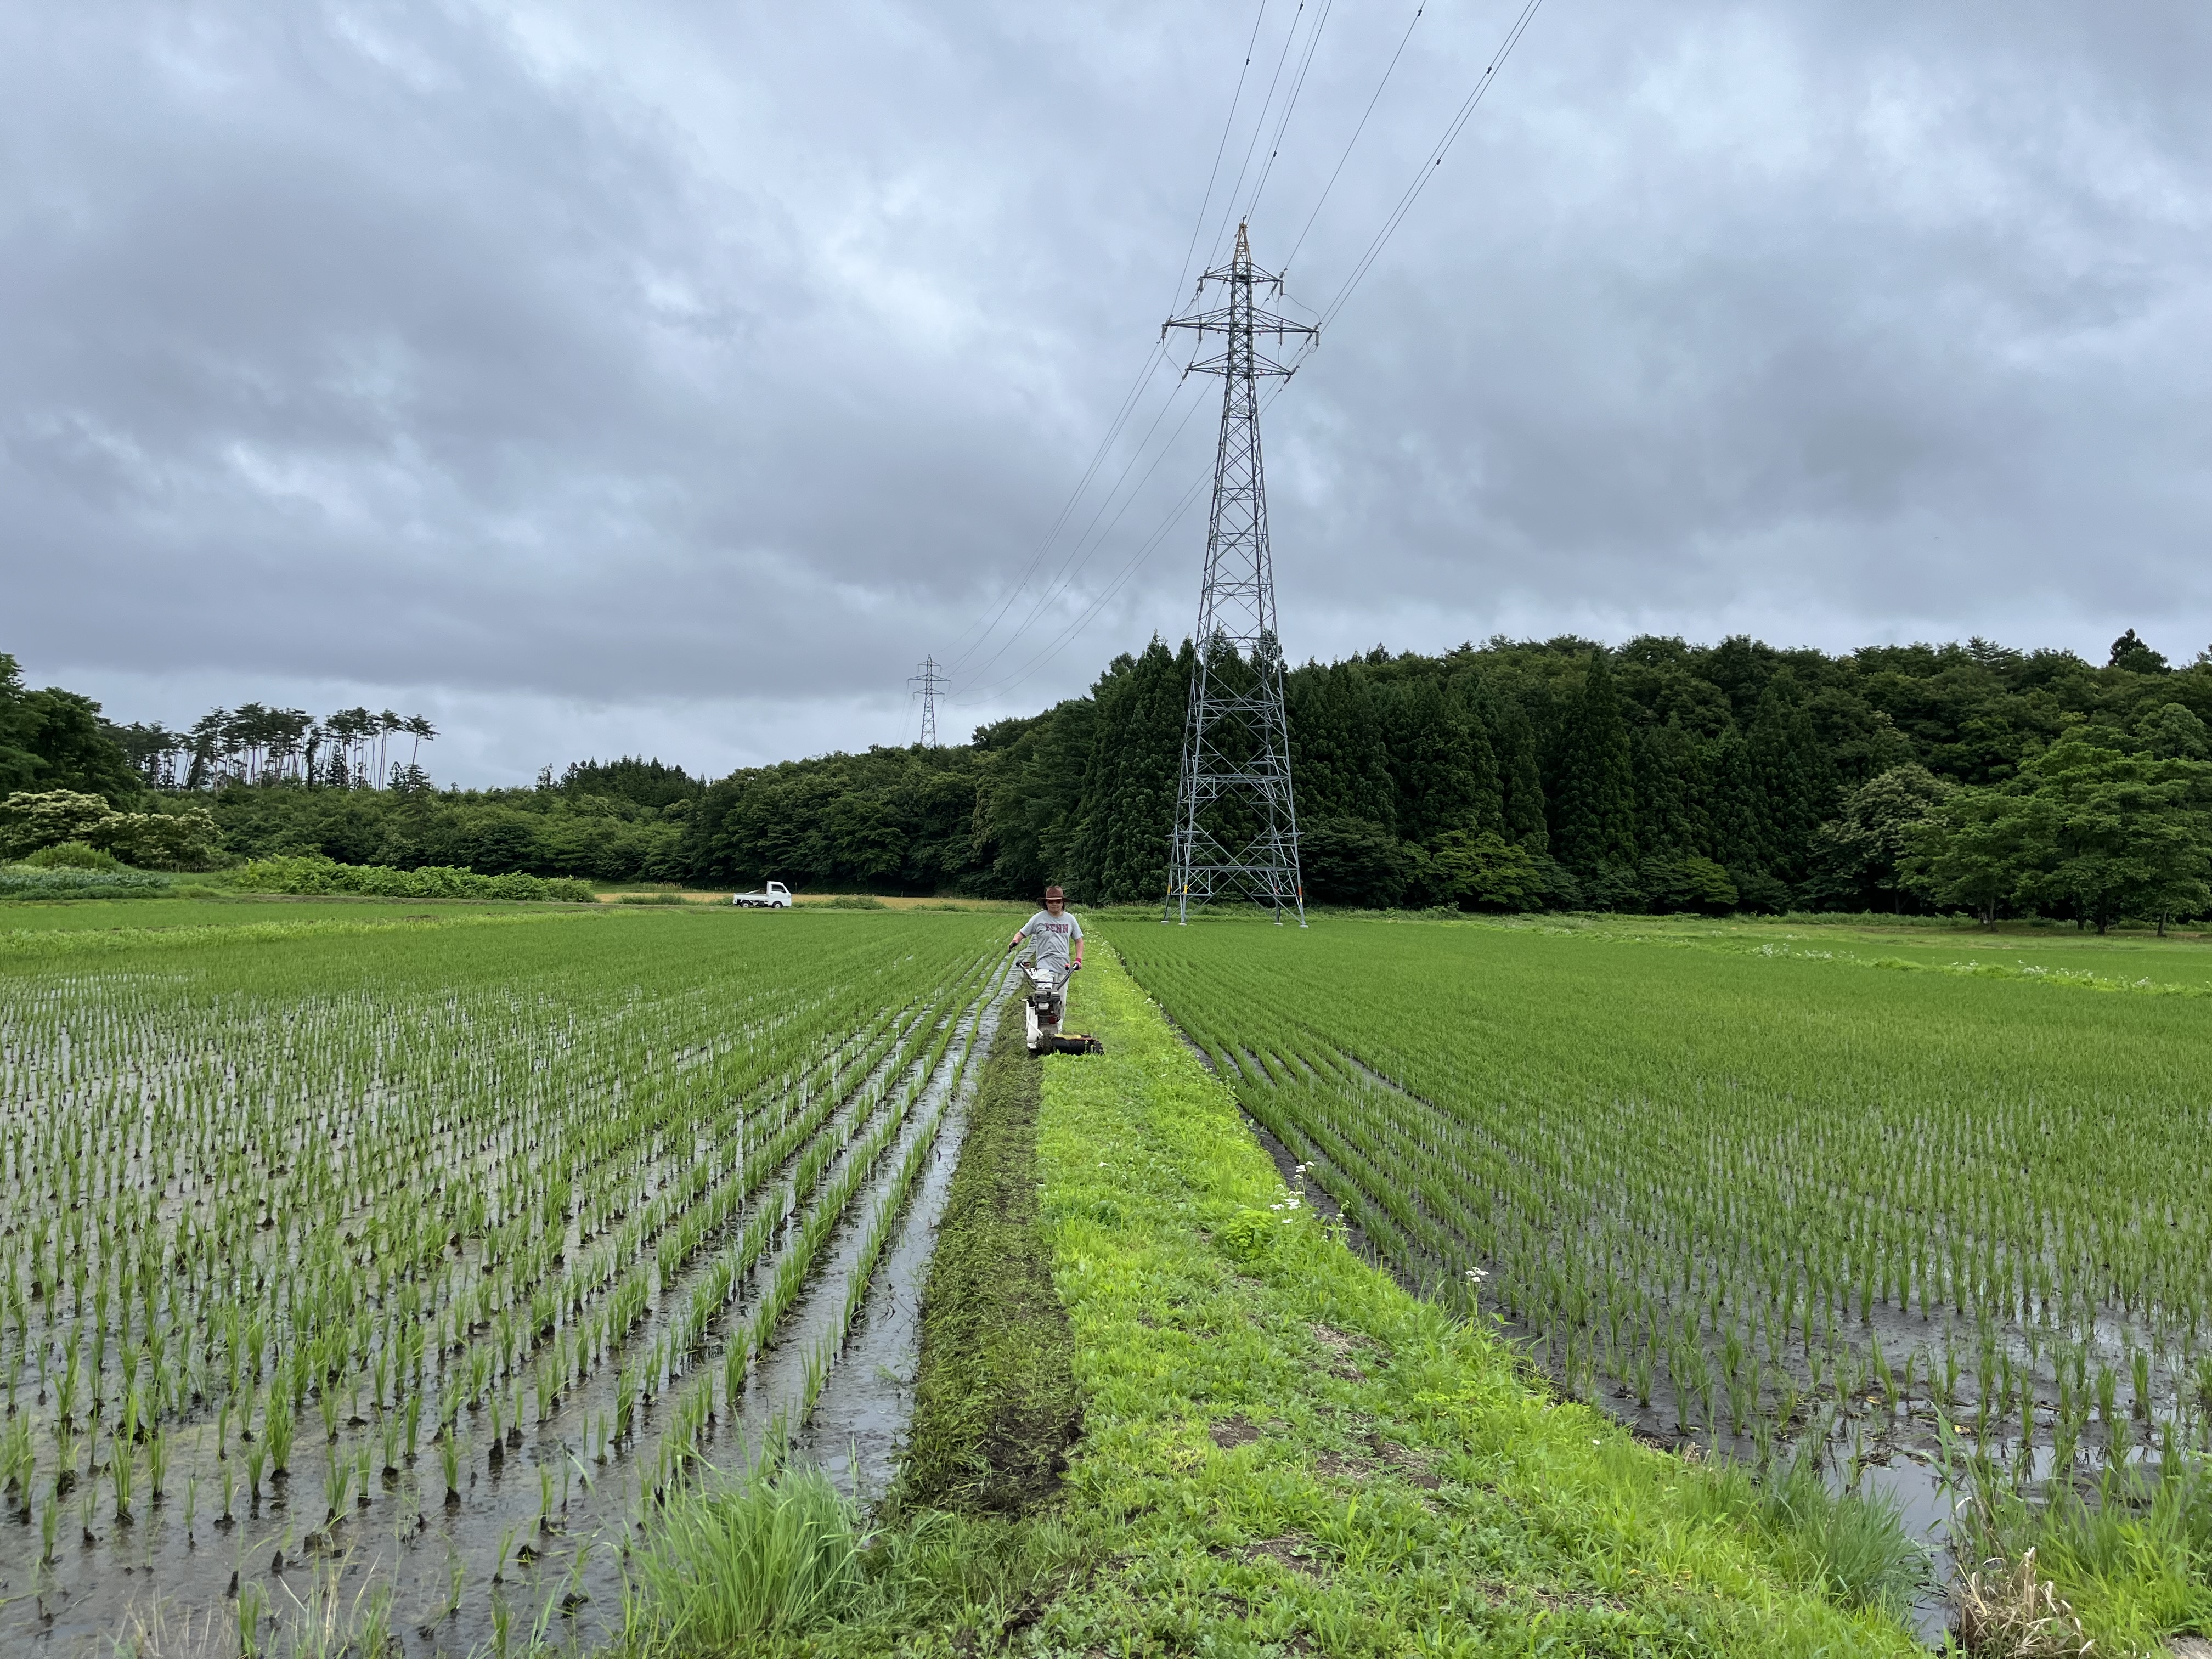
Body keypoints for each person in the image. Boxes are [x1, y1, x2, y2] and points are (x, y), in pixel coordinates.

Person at [1006, 884, 1084, 1013]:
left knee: (1060, 1002)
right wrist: (1015, 941)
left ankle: (1057, 1030)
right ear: (1046, 903)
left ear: (1063, 902)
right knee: (1045, 998)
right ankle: (1040, 1029)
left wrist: (1078, 960)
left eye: (1058, 901)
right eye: (1051, 901)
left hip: (1063, 966)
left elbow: (1079, 941)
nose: (1055, 904)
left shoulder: (1070, 919)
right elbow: (1022, 933)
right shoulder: (1039, 918)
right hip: (1044, 965)